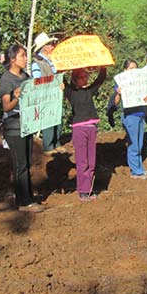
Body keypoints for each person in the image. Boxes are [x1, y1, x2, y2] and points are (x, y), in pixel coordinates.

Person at [0, 44, 44, 212]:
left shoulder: (25, 76)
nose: (26, 58)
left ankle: (26, 196)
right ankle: (24, 202)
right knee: (21, 164)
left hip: (27, 125)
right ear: (12, 59)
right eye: (22, 55)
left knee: (27, 162)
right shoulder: (6, 80)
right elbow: (6, 107)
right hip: (14, 127)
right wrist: (16, 98)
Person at [64, 66, 107, 201]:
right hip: (79, 129)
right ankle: (83, 190)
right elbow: (63, 81)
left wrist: (103, 67)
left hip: (91, 128)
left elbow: (100, 80)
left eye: (86, 76)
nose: (85, 79)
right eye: (81, 77)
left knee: (91, 161)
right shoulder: (71, 92)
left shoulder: (89, 91)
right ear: (75, 80)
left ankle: (90, 188)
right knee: (82, 161)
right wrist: (60, 70)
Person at [113, 59, 147, 179]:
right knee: (133, 144)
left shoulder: (140, 82)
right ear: (125, 70)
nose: (133, 71)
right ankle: (136, 171)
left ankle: (139, 168)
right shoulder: (121, 82)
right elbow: (116, 103)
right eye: (131, 68)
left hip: (140, 114)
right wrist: (118, 93)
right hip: (130, 116)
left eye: (135, 68)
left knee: (139, 143)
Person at [31, 32, 63, 154]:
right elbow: (37, 81)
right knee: (48, 120)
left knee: (58, 118)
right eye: (50, 44)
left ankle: (56, 142)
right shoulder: (37, 62)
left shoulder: (52, 61)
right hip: (46, 95)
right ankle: (48, 145)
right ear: (45, 47)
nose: (53, 46)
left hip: (56, 94)